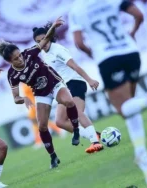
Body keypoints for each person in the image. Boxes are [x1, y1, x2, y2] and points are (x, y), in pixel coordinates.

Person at [69, 0, 147, 187]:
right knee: (130, 107)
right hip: (131, 52)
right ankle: (141, 155)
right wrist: (131, 33)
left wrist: (93, 53)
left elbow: (79, 43)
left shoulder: (77, 8)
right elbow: (139, 15)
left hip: (108, 57)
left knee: (123, 109)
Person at [0, 17, 81, 169]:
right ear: (10, 62)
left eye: (19, 55)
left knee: (69, 101)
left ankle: (76, 131)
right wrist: (23, 99)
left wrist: (54, 26)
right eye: (16, 59)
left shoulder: (29, 53)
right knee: (42, 126)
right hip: (41, 94)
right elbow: (15, 98)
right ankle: (53, 156)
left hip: (54, 84)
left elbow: (45, 39)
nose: (20, 59)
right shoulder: (12, 75)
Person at [32, 24, 103, 153]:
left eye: (43, 39)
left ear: (49, 37)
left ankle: (96, 142)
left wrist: (89, 79)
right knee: (60, 121)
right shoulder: (44, 55)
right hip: (63, 88)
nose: (42, 43)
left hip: (75, 82)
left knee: (77, 113)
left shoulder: (58, 50)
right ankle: (95, 135)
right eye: (38, 42)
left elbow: (74, 66)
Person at [22, 84, 64, 149]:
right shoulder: (22, 82)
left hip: (34, 103)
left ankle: (58, 130)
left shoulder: (28, 81)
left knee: (39, 121)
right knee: (36, 122)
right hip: (31, 104)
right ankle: (39, 140)